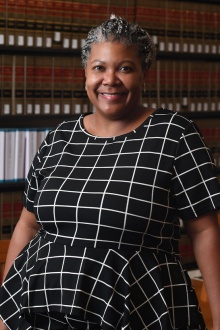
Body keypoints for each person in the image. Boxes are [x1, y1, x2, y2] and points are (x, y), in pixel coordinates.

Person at [0, 15, 220, 330]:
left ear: (145, 73)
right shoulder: (60, 138)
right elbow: (28, 225)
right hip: (40, 311)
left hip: (136, 311)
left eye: (125, 68)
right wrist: (5, 313)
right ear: (85, 73)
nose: (110, 79)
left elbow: (204, 231)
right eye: (99, 67)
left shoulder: (174, 133)